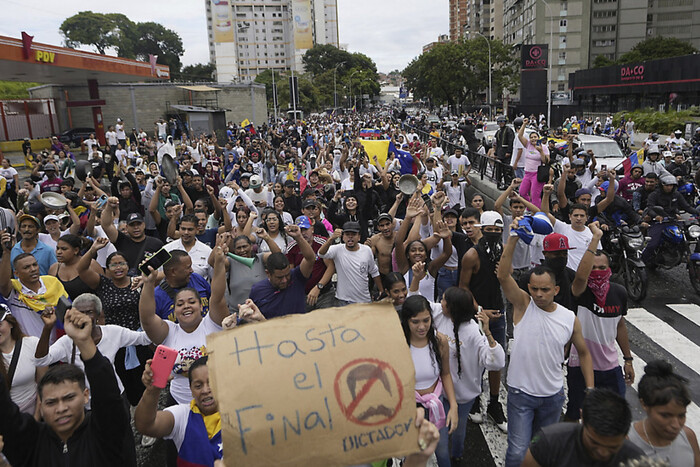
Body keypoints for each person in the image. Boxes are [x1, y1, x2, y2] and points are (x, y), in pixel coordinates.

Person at [498, 219, 595, 467]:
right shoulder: (523, 305)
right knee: (518, 452)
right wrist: (512, 238)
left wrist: (591, 390)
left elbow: (583, 353)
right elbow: (503, 275)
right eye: (534, 289)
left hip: (552, 396)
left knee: (544, 453)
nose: (539, 294)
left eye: (545, 290)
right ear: (528, 288)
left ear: (556, 289)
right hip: (520, 393)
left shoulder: (569, 318)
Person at [0, 307, 136, 466]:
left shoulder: (104, 432)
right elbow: (5, 415)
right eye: (51, 402)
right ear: (41, 405)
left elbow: (108, 394)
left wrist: (84, 342)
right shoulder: (33, 443)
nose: (61, 408)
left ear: (85, 395)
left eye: (69, 398)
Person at [409, 271, 505, 464]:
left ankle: (458, 454)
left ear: (453, 308)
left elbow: (496, 362)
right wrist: (417, 279)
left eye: (444, 300)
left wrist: (488, 333)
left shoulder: (473, 332)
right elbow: (417, 304)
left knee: (458, 429)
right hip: (439, 393)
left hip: (465, 394)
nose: (440, 301)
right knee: (441, 439)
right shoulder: (439, 314)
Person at [139, 244, 229, 405]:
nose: (186, 306)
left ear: (202, 306)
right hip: (180, 404)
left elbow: (217, 296)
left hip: (218, 401)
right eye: (180, 304)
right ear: (175, 309)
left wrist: (219, 263)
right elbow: (147, 318)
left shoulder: (212, 324)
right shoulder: (169, 331)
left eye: (191, 302)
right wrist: (148, 283)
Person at [76, 238, 150, 406]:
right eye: (113, 265)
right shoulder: (103, 284)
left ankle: (145, 416)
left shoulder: (138, 282)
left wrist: (145, 279)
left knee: (143, 381)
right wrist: (93, 248)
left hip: (138, 339)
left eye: (122, 264)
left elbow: (159, 276)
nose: (118, 268)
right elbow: (81, 269)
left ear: (128, 266)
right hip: (113, 341)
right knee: (120, 379)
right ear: (107, 269)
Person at [458, 210, 508, 431]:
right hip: (478, 314)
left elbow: (506, 279)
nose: (494, 234)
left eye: (498, 231)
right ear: (482, 229)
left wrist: (504, 273)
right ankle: (476, 398)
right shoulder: (472, 255)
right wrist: (480, 310)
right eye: (490, 230)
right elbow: (463, 288)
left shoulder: (502, 250)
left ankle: (495, 403)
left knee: (497, 360)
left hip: (498, 312)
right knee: (478, 360)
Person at [400, 294, 458, 467]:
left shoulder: (440, 341)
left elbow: (445, 374)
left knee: (441, 449)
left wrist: (453, 406)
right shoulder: (399, 344)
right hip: (409, 406)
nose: (422, 327)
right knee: (413, 452)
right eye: (415, 322)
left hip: (436, 402)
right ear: (406, 321)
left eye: (426, 320)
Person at [135, 356, 222, 466]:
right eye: (198, 386)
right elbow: (146, 425)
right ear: (191, 390)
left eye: (211, 383)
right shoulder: (183, 416)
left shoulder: (240, 412)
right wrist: (152, 390)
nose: (205, 390)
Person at [522, 389, 644, 466]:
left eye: (613, 447)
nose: (603, 452)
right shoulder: (549, 442)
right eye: (594, 442)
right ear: (583, 418)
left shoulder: (636, 460)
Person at [628, 360, 700, 466]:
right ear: (644, 404)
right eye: (665, 415)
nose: (676, 425)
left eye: (681, 415)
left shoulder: (688, 436)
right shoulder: (623, 442)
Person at [1, 232, 67, 341]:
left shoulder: (52, 283)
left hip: (56, 348)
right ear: (16, 273)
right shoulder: (14, 289)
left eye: (34, 265)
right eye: (26, 267)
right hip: (25, 349)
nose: (33, 269)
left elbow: (67, 310)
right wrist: (7, 252)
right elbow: (3, 283)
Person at [248, 224, 315, 318]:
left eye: (287, 275)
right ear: (268, 274)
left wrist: (298, 237)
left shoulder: (297, 277)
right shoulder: (257, 290)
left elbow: (310, 259)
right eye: (279, 277)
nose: (284, 280)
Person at [318, 221, 384, 305]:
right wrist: (331, 239)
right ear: (343, 237)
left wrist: (381, 290)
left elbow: (374, 271)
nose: (350, 237)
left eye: (353, 234)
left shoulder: (366, 250)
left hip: (364, 300)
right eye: (347, 234)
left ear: (359, 237)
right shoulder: (337, 249)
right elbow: (321, 253)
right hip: (343, 301)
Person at [0, 303, 47, 417]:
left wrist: (36, 417)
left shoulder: (33, 344)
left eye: (0, 324)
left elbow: (44, 384)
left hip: (31, 413)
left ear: (11, 324)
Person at [102, 202, 164, 276]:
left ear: (144, 225)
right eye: (132, 225)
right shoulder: (121, 240)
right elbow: (106, 225)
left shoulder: (156, 243)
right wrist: (109, 206)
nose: (136, 227)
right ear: (127, 227)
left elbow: (165, 270)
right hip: (126, 283)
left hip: (149, 283)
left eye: (138, 224)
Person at [155, 250, 211, 323]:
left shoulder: (197, 279)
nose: (192, 270)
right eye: (188, 267)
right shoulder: (157, 296)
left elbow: (215, 302)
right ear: (173, 272)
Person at [48, 234, 103, 301]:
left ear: (76, 250)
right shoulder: (54, 268)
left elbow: (104, 289)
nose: (59, 252)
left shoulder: (91, 264)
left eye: (64, 249)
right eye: (57, 248)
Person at [164, 214, 212, 281]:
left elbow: (214, 277)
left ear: (197, 229)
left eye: (190, 229)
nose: (186, 232)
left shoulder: (207, 251)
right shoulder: (167, 249)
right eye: (183, 229)